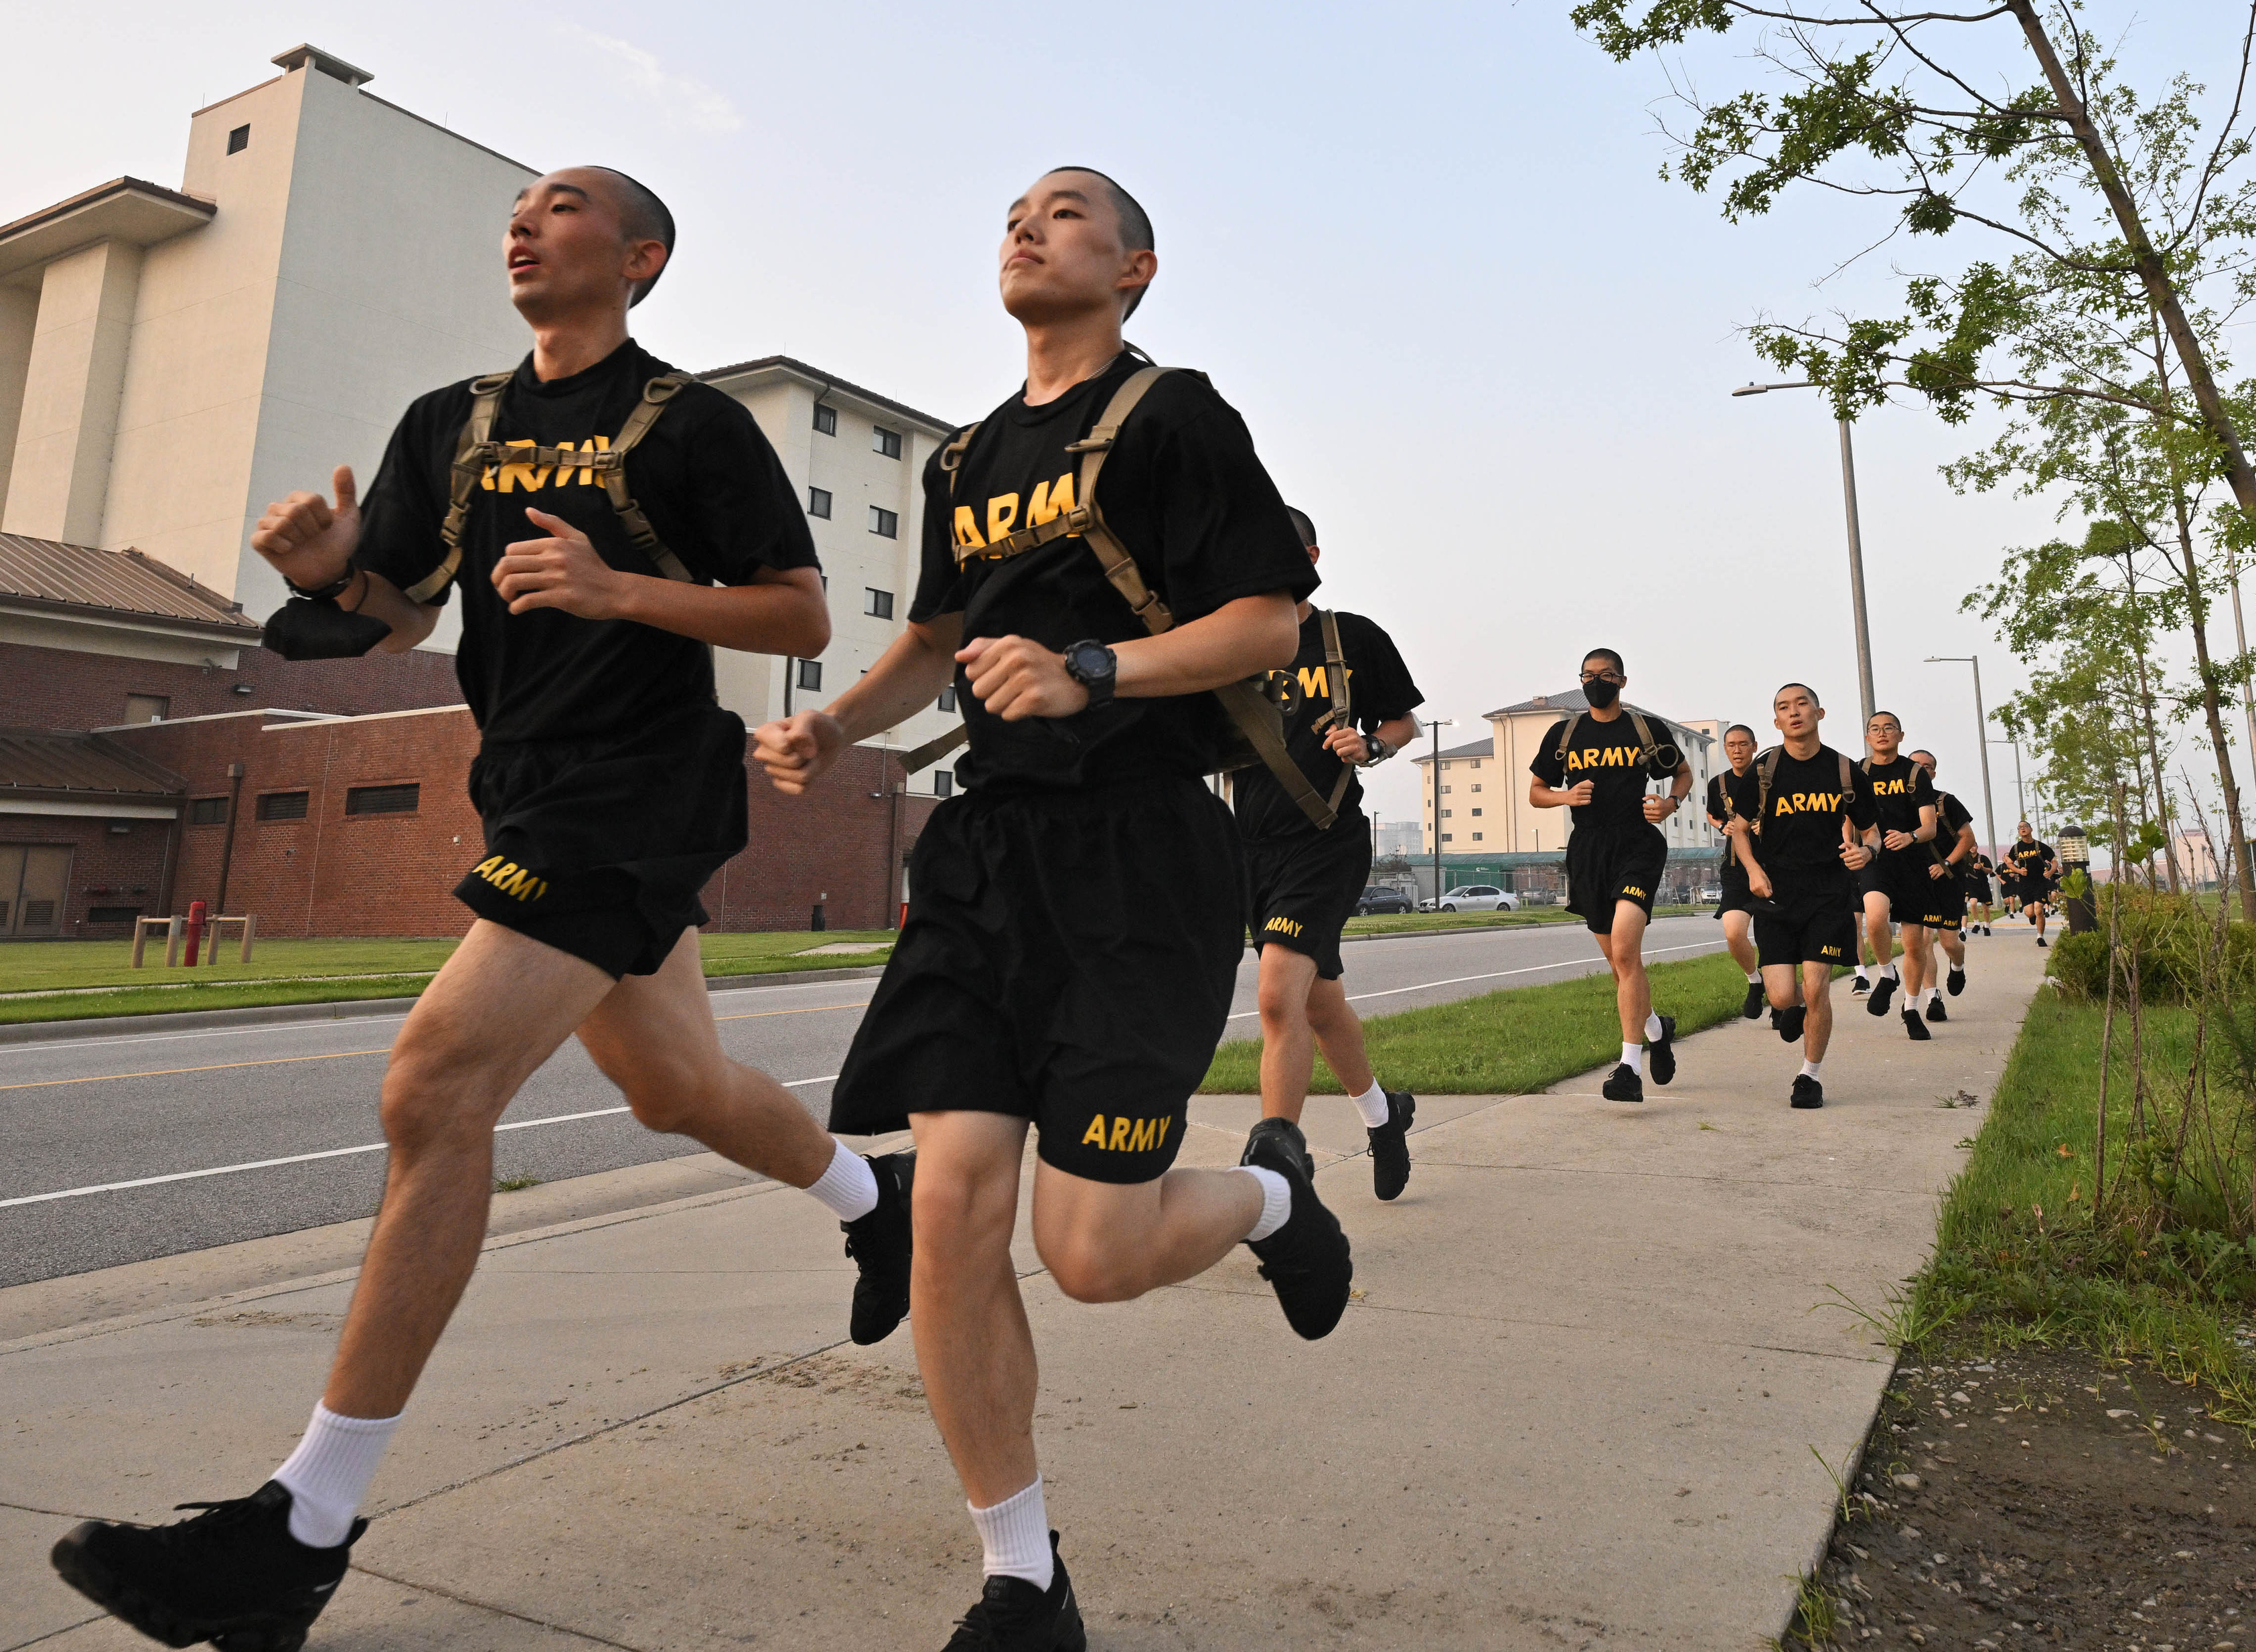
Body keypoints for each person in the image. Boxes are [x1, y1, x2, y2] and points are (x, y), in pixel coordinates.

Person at [50, 168, 913, 1649]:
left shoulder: (691, 426)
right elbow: (395, 609)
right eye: (515, 205)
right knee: (675, 1086)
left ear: (639, 258)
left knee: (434, 1082)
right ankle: (872, 1196)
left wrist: (619, 589)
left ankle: (302, 1527)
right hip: (524, 776)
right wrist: (329, 576)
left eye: (563, 205)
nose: (523, 222)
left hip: (639, 785)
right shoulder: (451, 423)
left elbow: (798, 613)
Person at [752, 167, 1348, 1650]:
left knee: (1090, 1253)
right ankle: (1023, 1576)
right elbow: (933, 642)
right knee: (949, 1208)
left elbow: (1264, 620)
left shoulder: (1174, 417)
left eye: (1069, 213)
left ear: (1135, 268)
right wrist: (840, 730)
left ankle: (1274, 1194)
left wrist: (1094, 668)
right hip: (988, 855)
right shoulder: (962, 458)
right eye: (1016, 210)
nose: (1028, 226)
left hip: (1142, 856)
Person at [1238, 507, 1426, 1197]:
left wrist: (1371, 744)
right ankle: (1384, 1116)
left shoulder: (1351, 637)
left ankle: (1275, 1177)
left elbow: (1402, 719)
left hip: (1326, 839)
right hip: (1251, 844)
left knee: (1276, 996)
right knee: (1318, 1006)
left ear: (1311, 556)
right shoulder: (1230, 646)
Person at [1527, 650, 1694, 1102]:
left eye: (1604, 676)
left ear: (1621, 681)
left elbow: (1682, 773)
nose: (1595, 682)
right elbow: (1536, 793)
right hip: (1588, 850)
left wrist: (1670, 804)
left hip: (1637, 844)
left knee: (1625, 949)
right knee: (1622, 966)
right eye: (1588, 676)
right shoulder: (1565, 733)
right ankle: (1658, 1028)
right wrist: (1565, 796)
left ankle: (1628, 1067)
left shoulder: (1645, 729)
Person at [1730, 682, 1868, 1108]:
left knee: (1817, 986)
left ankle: (1810, 1076)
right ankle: (1794, 1014)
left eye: (1802, 704)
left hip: (1828, 893)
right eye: (1784, 708)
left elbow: (1872, 830)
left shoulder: (1845, 770)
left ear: (1819, 713)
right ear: (1776, 721)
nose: (1794, 713)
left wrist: (1867, 851)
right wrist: (1752, 870)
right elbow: (1738, 827)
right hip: (1775, 894)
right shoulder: (1764, 769)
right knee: (1782, 997)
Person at [1851, 710, 1939, 1042]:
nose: (1882, 733)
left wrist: (1910, 837)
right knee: (1874, 919)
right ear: (1867, 737)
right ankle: (1887, 975)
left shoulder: (1914, 772)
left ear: (1901, 735)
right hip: (1875, 859)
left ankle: (1912, 1008)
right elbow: (1850, 815)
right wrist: (1848, 843)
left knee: (1916, 946)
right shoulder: (1859, 771)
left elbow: (1929, 826)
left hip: (1913, 864)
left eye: (1889, 728)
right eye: (1875, 728)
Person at [1908, 750, 1979, 1019]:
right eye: (1916, 765)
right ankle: (1932, 998)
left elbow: (1967, 838)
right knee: (1923, 939)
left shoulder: (1945, 802)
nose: (1922, 770)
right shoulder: (1901, 804)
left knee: (1949, 942)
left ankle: (1958, 967)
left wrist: (1946, 864)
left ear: (1934, 774)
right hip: (1918, 883)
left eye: (1927, 767)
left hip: (1948, 879)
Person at [1705, 723, 1767, 1021]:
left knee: (1773, 940)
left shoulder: (1769, 781)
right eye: (1731, 745)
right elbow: (1711, 813)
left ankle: (1785, 1001)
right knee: (1733, 934)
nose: (1738, 750)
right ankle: (1755, 981)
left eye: (1744, 744)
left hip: (1771, 869)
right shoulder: (1718, 784)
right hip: (1734, 869)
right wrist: (1721, 825)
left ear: (1755, 747)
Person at [2004, 819, 2054, 945]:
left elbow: (2054, 861)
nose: (2022, 828)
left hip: (2040, 882)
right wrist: (2018, 871)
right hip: (2025, 884)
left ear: (2031, 830)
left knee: (2039, 909)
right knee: (2030, 912)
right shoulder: (2016, 848)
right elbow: (2009, 863)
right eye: (2020, 827)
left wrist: (2051, 872)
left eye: (2025, 826)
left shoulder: (2040, 846)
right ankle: (2032, 917)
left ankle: (2040, 937)